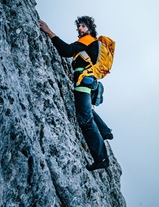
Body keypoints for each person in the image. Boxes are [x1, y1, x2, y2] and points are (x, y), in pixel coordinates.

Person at [39, 16, 113, 171]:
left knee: (85, 120)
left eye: (83, 26)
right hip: (88, 81)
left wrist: (49, 32)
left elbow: (66, 51)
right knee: (87, 112)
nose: (80, 29)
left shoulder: (88, 40)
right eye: (79, 26)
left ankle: (102, 158)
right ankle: (105, 131)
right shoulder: (89, 43)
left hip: (83, 81)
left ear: (90, 30)